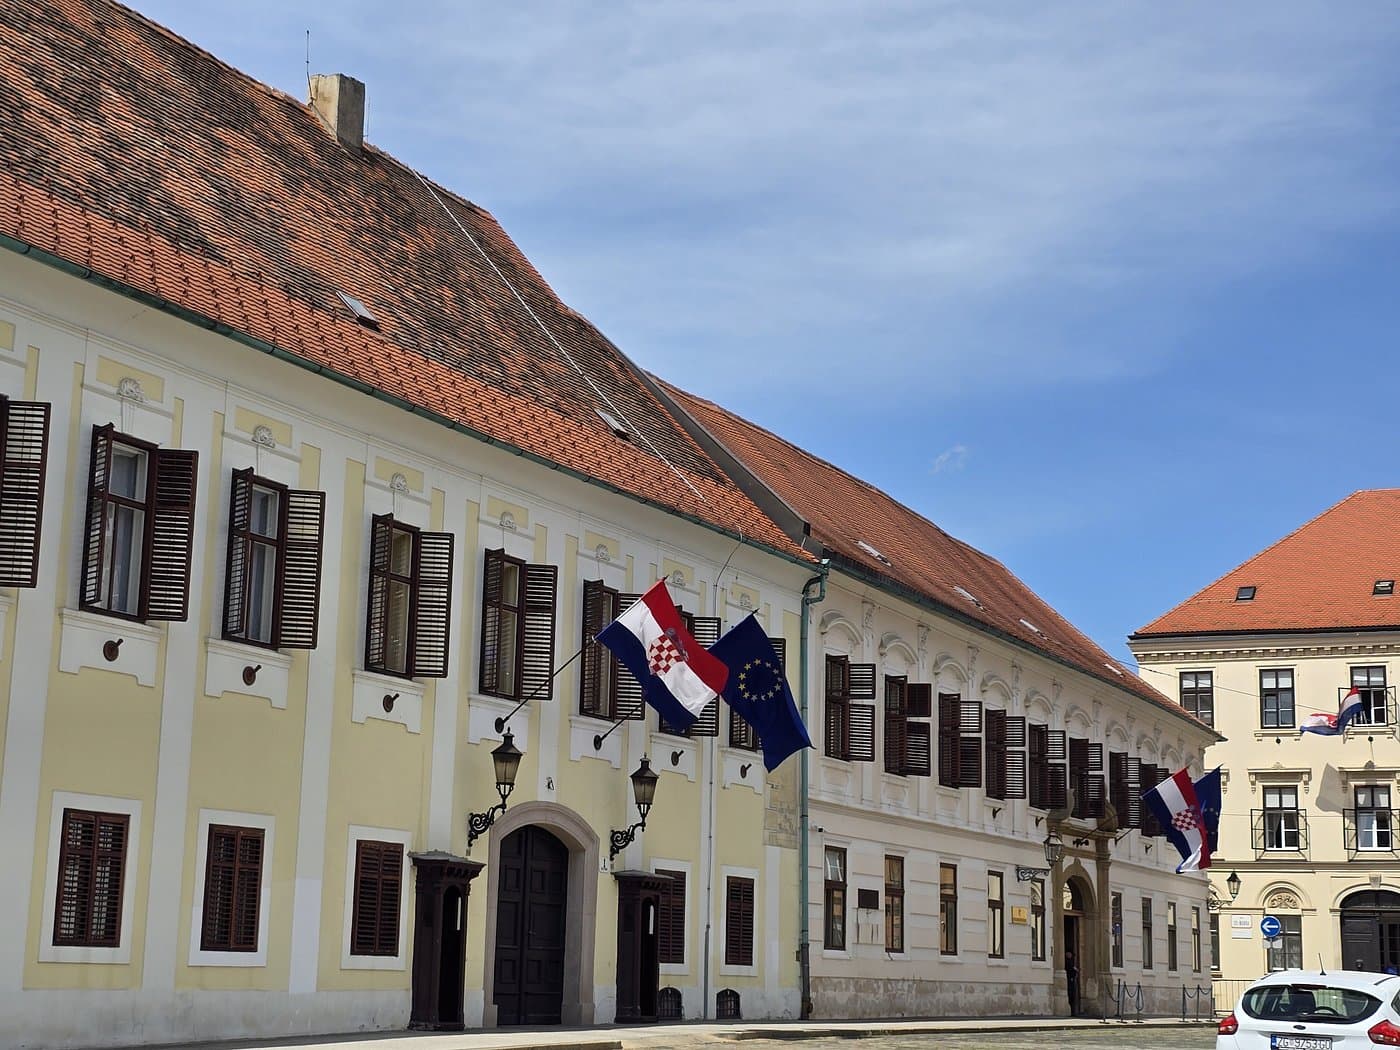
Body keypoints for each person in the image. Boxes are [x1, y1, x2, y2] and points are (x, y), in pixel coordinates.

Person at [1065, 950, 1080, 1016]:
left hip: (1072, 979)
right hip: (1069, 979)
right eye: (1068, 954)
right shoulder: (1067, 961)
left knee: (1073, 995)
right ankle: (1072, 1011)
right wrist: (1075, 970)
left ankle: (1074, 1011)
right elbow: (1071, 968)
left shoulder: (1071, 961)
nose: (1069, 955)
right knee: (1070, 994)